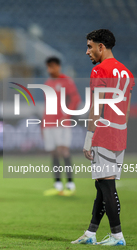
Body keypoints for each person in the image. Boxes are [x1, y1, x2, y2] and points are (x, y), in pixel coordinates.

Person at [71, 29, 134, 246]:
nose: (87, 51)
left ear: (101, 47)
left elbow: (96, 108)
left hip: (104, 133)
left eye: (90, 46)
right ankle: (90, 233)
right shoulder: (127, 73)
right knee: (102, 185)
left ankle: (117, 237)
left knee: (107, 187)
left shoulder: (100, 70)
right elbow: (126, 109)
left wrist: (89, 138)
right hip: (120, 132)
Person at [42, 57, 81, 196]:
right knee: (53, 152)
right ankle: (58, 185)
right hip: (49, 123)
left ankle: (70, 185)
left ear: (58, 67)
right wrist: (43, 124)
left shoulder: (66, 81)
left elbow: (76, 99)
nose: (49, 70)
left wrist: (66, 116)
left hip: (61, 123)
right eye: (48, 67)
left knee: (63, 151)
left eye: (52, 67)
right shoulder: (47, 83)